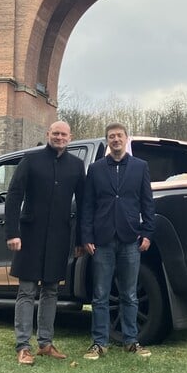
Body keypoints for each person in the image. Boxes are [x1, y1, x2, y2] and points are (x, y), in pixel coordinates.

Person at [4, 121, 85, 365]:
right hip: (30, 236)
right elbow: (14, 195)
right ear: (48, 135)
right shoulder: (31, 160)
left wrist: (80, 239)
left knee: (51, 291)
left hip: (60, 237)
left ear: (70, 137)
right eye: (55, 133)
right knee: (27, 291)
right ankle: (23, 346)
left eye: (64, 134)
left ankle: (46, 343)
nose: (59, 137)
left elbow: (83, 204)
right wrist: (12, 232)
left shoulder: (76, 166)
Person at [81, 123, 156, 360]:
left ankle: (131, 341)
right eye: (111, 137)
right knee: (100, 294)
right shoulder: (95, 169)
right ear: (107, 141)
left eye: (119, 136)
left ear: (126, 139)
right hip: (101, 241)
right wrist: (87, 236)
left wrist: (147, 233)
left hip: (130, 239)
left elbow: (148, 203)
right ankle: (99, 343)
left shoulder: (140, 167)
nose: (115, 140)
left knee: (129, 294)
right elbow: (87, 206)